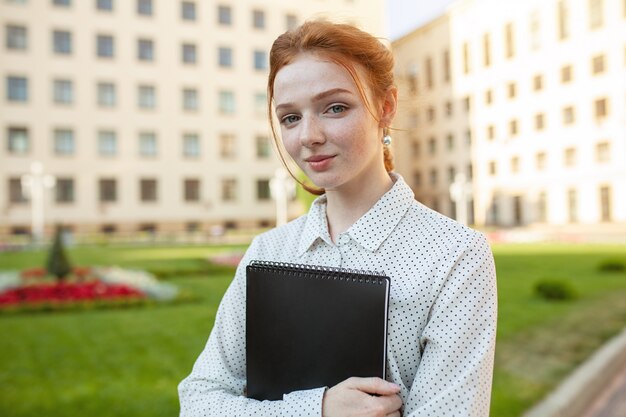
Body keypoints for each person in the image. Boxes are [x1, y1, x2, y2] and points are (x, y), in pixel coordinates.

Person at [179, 19, 497, 417]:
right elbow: (198, 401)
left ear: (385, 107)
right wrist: (320, 408)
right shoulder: (268, 251)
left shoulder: (455, 255)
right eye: (290, 117)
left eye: (335, 108)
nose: (308, 135)